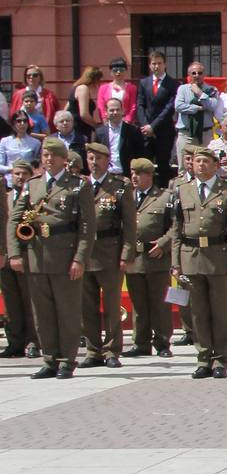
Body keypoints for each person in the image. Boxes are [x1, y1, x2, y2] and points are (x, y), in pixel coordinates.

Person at [9, 139, 92, 379]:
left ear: (63, 158)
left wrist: (80, 258)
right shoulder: (33, 184)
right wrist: (15, 252)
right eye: (45, 154)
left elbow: (86, 227)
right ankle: (49, 358)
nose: (48, 158)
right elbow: (15, 219)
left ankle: (67, 359)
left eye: (53, 155)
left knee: (67, 310)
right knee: (42, 311)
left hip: (65, 256)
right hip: (37, 256)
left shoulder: (77, 185)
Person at [170, 147, 227, 378]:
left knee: (222, 311)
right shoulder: (182, 190)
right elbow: (176, 228)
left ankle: (221, 358)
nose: (200, 165)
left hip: (219, 256)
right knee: (198, 312)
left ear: (215, 165)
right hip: (191, 256)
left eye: (206, 161)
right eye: (197, 161)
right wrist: (175, 261)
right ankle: (203, 357)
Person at [78, 142, 133, 369]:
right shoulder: (80, 186)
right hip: (85, 253)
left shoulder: (119, 186)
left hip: (110, 251)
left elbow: (129, 224)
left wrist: (126, 253)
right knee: (86, 306)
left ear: (107, 159)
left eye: (98, 158)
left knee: (111, 305)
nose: (94, 162)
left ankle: (112, 350)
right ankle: (92, 350)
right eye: (90, 158)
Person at [122, 158, 176, 358]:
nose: (134, 177)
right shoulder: (127, 197)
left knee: (160, 304)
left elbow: (176, 225)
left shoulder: (164, 197)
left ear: (149, 175)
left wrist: (163, 243)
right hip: (134, 258)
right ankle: (141, 342)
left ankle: (162, 343)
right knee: (138, 304)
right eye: (132, 173)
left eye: (138, 173)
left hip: (156, 258)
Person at [0, 161, 34, 358]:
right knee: (11, 302)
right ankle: (15, 342)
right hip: (5, 255)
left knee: (29, 300)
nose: (20, 177)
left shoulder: (34, 197)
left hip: (27, 255)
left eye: (24, 174)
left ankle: (33, 341)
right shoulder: (5, 197)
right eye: (16, 173)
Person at [137, 54, 180, 186]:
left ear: (165, 64)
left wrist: (153, 127)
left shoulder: (173, 84)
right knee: (145, 165)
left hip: (163, 131)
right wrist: (145, 125)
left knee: (163, 166)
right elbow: (140, 105)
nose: (157, 66)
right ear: (150, 65)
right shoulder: (144, 83)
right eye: (154, 63)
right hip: (146, 132)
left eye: (159, 63)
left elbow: (169, 108)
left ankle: (163, 194)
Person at [172, 62, 219, 159]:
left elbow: (212, 106)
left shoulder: (211, 89)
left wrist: (200, 93)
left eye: (200, 73)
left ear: (204, 74)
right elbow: (178, 106)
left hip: (205, 134)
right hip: (186, 134)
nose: (197, 75)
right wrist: (197, 108)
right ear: (189, 75)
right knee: (184, 168)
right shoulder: (183, 89)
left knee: (205, 166)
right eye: (194, 73)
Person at [91, 97, 145, 175]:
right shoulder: (99, 133)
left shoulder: (133, 131)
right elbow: (94, 156)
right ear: (106, 112)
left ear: (122, 111)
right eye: (111, 110)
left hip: (127, 176)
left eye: (117, 109)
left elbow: (140, 155)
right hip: (105, 176)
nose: (115, 112)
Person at [96, 58, 137, 125]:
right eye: (115, 70)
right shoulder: (103, 88)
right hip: (108, 121)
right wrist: (104, 119)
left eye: (121, 70)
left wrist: (128, 120)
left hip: (125, 121)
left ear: (126, 71)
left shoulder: (132, 88)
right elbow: (101, 106)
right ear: (111, 72)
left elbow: (133, 106)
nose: (118, 72)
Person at [70, 66, 104, 135]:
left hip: (74, 126)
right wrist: (96, 126)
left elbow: (67, 108)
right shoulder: (83, 89)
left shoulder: (75, 87)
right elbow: (84, 114)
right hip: (80, 128)